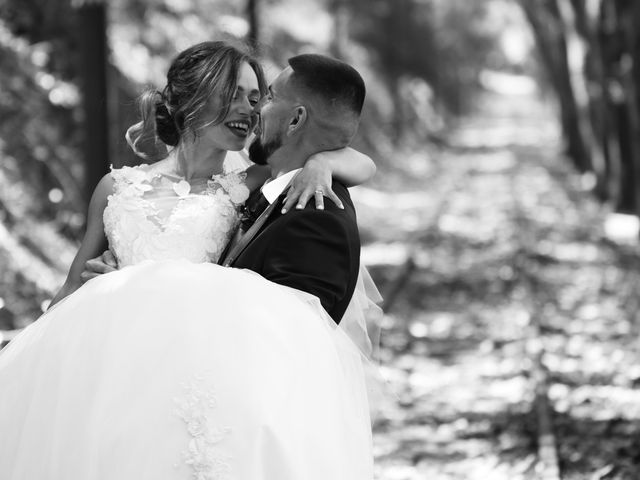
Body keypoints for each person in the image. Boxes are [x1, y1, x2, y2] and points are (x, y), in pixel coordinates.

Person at [0, 41, 377, 480]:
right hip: (108, 360)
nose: (250, 108)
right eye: (234, 93)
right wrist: (69, 315)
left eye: (257, 98)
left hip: (190, 371)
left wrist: (323, 163)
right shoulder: (116, 187)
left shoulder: (248, 184)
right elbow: (70, 289)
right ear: (192, 96)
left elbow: (355, 155)